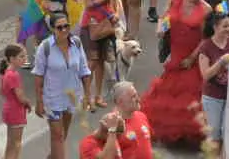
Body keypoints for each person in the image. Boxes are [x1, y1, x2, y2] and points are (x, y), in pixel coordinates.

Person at [141, 0, 210, 145]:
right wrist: (161, 29)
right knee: (169, 90)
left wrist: (192, 58)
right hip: (176, 51)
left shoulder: (206, 9)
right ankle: (170, 131)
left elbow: (206, 38)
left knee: (190, 92)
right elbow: (166, 17)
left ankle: (189, 134)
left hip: (192, 54)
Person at [32, 12, 89, 159]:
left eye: (66, 26)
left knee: (63, 134)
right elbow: (38, 76)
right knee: (57, 135)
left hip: (72, 97)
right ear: (52, 29)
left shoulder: (76, 43)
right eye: (59, 27)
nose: (64, 30)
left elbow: (84, 70)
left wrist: (87, 96)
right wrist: (39, 102)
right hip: (53, 99)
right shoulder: (44, 48)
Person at [196, 10, 229, 146]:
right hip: (212, 96)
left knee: (228, 133)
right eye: (225, 26)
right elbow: (205, 75)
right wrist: (221, 62)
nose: (228, 30)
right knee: (214, 134)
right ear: (215, 27)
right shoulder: (206, 46)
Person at [77, 82, 152, 159]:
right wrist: (112, 131)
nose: (138, 99)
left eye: (137, 95)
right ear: (120, 101)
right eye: (133, 97)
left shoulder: (141, 116)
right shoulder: (112, 124)